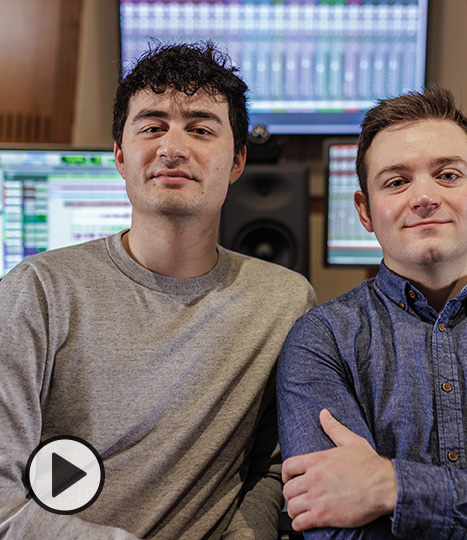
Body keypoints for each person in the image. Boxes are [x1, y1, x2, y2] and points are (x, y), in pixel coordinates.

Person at [0, 42, 315, 539]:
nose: (172, 147)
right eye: (151, 127)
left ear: (237, 162)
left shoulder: (284, 301)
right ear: (121, 157)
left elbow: (274, 469)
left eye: (201, 128)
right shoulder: (37, 293)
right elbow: (3, 503)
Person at [277, 86, 467, 539]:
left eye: (448, 175)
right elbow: (332, 527)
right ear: (365, 211)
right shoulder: (320, 339)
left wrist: (392, 487)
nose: (423, 197)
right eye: (396, 182)